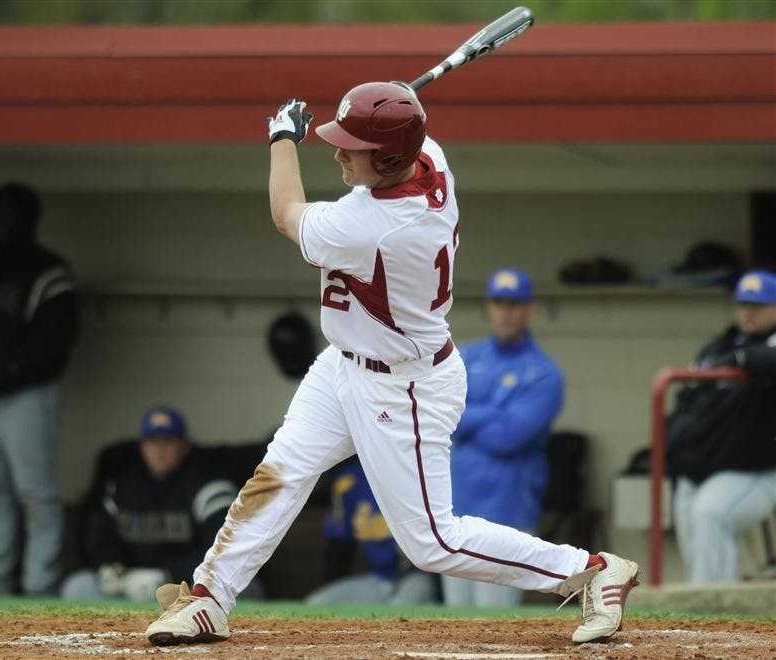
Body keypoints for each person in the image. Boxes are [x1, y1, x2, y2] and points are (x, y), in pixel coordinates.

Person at [143, 82, 638, 647]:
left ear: (390, 158)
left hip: (403, 386)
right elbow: (401, 127)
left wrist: (282, 136)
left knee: (432, 542)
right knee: (281, 471)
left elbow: (286, 214)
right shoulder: (430, 159)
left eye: (351, 148)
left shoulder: (374, 227)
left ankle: (592, 571)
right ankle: (210, 597)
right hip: (344, 365)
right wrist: (381, 111)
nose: (336, 153)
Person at [0, 181, 79, 596]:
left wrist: (8, 371)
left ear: (27, 218)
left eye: (8, 215)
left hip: (28, 397)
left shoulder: (47, 270)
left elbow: (57, 339)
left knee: (35, 493)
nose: (0, 224)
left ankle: (38, 585)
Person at [443, 268, 564, 607]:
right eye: (499, 302)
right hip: (456, 508)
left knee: (493, 623)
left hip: (506, 511)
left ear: (529, 309)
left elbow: (507, 438)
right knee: (453, 623)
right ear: (489, 306)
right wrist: (494, 410)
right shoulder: (465, 357)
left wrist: (467, 414)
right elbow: (439, 417)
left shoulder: (543, 372)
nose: (506, 312)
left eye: (514, 303)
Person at [60, 406, 245, 601]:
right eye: (153, 442)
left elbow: (223, 550)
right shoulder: (123, 484)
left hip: (190, 586)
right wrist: (110, 566)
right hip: (132, 584)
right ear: (142, 447)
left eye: (168, 441)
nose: (159, 450)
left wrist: (167, 575)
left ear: (184, 446)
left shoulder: (207, 484)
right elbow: (104, 541)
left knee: (237, 588)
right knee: (79, 587)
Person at [667, 269, 776, 583]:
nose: (749, 312)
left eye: (759, 305)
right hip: (703, 468)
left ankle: (714, 617)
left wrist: (741, 359)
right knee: (697, 534)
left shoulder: (753, 348)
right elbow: (687, 403)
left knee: (711, 514)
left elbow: (765, 359)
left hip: (757, 471)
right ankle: (707, 617)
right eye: (744, 304)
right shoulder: (718, 346)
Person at [305, 456, 437, 605]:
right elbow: (338, 547)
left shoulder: (414, 474)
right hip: (380, 578)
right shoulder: (350, 479)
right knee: (317, 603)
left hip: (417, 576)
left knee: (400, 609)